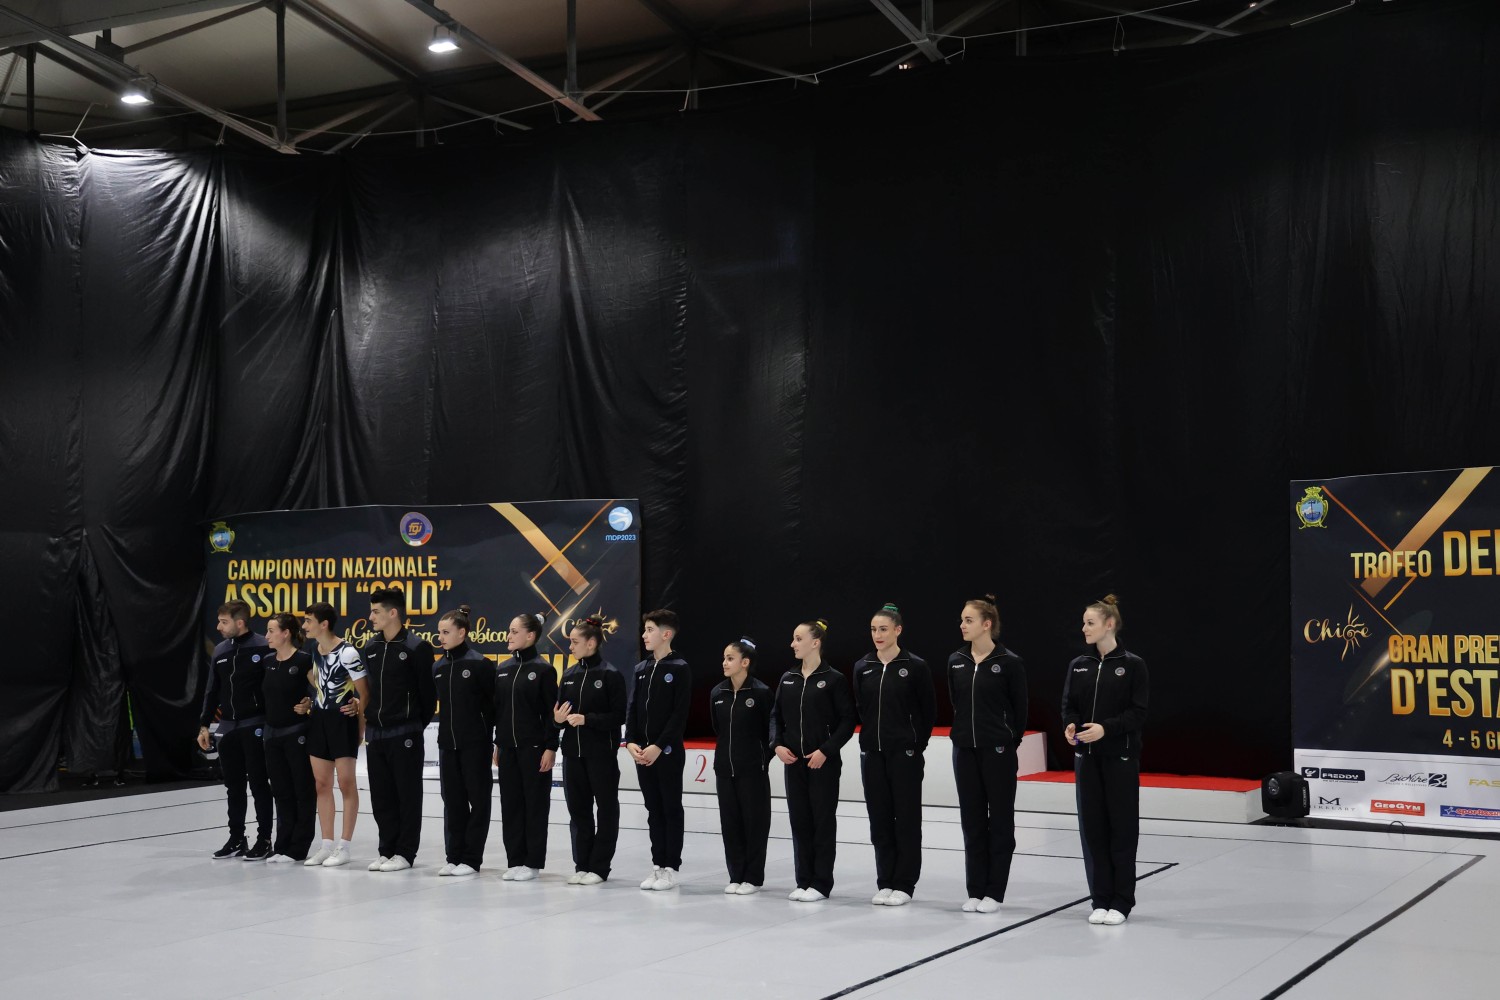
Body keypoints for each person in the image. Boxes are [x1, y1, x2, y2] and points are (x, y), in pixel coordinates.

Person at [1063, 593, 1149, 926]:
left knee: (1122, 830)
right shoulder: (1078, 665)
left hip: (1120, 759)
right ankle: (1099, 899)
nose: (1084, 628)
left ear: (1109, 624)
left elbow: (1137, 713)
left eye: (1090, 623)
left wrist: (1105, 729)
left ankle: (1121, 901)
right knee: (1093, 830)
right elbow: (1069, 705)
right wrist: (1070, 725)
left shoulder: (1133, 665)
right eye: (1083, 623)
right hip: (1087, 759)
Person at [947, 595, 1028, 913]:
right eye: (962, 620)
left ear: (986, 624)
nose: (962, 625)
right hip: (964, 751)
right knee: (973, 821)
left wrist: (1006, 740)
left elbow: (1020, 710)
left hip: (998, 752)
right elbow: (956, 702)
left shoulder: (1009, 662)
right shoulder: (956, 660)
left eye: (968, 620)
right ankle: (975, 889)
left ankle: (994, 891)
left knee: (1001, 821)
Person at [853, 603, 935, 907]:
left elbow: (928, 710)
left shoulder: (915, 666)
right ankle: (885, 881)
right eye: (874, 629)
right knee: (880, 820)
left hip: (905, 755)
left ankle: (904, 883)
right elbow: (861, 707)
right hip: (872, 754)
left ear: (898, 630)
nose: (878, 634)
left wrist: (915, 744)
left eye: (884, 629)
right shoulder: (863, 666)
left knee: (907, 820)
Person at [771, 618, 856, 902]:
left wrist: (826, 751)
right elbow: (775, 717)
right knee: (799, 822)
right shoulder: (788, 678)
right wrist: (777, 745)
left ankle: (820, 883)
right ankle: (803, 880)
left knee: (822, 822)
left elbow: (848, 721)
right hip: (794, 763)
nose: (792, 644)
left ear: (815, 642)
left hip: (822, 764)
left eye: (798, 639)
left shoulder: (834, 679)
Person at [360, 586, 436, 873]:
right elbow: (368, 691)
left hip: (405, 733)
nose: (370, 617)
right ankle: (386, 849)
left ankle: (405, 852)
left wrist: (412, 725)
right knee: (381, 796)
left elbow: (428, 696)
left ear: (393, 613)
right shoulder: (371, 648)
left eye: (375, 612)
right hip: (376, 733)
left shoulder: (416, 647)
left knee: (407, 795)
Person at [197, 600, 274, 861]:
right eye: (219, 621)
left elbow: (275, 685)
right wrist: (204, 725)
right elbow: (212, 691)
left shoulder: (264, 646)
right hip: (228, 728)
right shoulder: (220, 650)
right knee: (234, 787)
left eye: (224, 622)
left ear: (240, 622)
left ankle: (265, 839)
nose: (218, 627)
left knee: (260, 784)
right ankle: (237, 838)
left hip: (255, 724)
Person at [554, 616, 626, 885]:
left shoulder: (610, 674)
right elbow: (559, 715)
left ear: (591, 643)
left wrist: (588, 719)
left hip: (601, 755)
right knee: (578, 810)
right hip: (572, 755)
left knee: (606, 809)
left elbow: (618, 716)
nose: (570, 647)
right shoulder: (569, 675)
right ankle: (582, 864)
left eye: (575, 642)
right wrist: (557, 721)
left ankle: (599, 866)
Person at [626, 609, 692, 891]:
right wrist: (631, 741)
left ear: (666, 634)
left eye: (650, 629)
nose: (644, 635)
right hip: (642, 753)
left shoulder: (679, 668)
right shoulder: (641, 669)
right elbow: (632, 708)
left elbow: (679, 715)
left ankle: (671, 867)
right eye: (645, 629)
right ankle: (657, 865)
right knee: (653, 809)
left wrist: (658, 745)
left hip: (667, 752)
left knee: (670, 808)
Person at [493, 612, 558, 882]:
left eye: (514, 631)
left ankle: (532, 862)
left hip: (534, 749)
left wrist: (551, 747)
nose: (508, 636)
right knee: (510, 805)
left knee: (535, 805)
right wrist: (498, 744)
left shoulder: (543, 670)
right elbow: (499, 711)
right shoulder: (502, 669)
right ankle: (515, 859)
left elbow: (551, 713)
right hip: (507, 748)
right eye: (509, 630)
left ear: (530, 636)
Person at [302, 601, 367, 868]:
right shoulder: (314, 650)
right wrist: (311, 701)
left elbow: (365, 691)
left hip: (343, 721)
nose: (304, 626)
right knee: (321, 784)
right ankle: (326, 844)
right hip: (319, 720)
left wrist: (360, 722)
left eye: (308, 621)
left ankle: (344, 845)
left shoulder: (348, 652)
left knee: (346, 783)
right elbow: (317, 682)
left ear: (324, 624)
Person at [433, 605, 496, 877]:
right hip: (448, 744)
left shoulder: (480, 664)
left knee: (478, 802)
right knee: (452, 801)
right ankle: (454, 856)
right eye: (439, 633)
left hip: (475, 745)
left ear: (462, 632)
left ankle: (471, 859)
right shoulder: (438, 666)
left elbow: (493, 706)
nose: (441, 638)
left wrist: (491, 740)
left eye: (446, 632)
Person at [709, 637, 773, 895]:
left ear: (745, 662)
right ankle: (735, 875)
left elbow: (770, 730)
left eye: (730, 658)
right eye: (724, 658)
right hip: (725, 770)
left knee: (754, 824)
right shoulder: (717, 693)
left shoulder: (761, 692)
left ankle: (753, 877)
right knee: (730, 824)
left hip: (753, 771)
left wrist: (761, 759)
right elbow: (718, 729)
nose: (724, 663)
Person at [260, 613, 316, 863]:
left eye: (271, 631)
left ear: (286, 634)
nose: (266, 636)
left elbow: (322, 691)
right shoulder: (267, 661)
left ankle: (298, 847)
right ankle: (281, 845)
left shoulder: (304, 660)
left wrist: (310, 704)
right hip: (272, 735)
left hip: (296, 733)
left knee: (302, 790)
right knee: (281, 791)